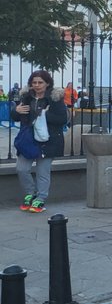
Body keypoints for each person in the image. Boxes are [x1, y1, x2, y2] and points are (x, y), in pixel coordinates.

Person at [14, 70, 69, 213]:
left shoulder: (54, 99)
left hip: (48, 141)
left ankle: (41, 198)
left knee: (42, 172)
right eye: (34, 82)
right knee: (22, 168)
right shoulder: (26, 97)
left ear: (47, 83)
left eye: (40, 82)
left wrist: (44, 114)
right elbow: (16, 116)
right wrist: (16, 110)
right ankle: (30, 194)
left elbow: (62, 119)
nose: (37, 85)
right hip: (28, 140)